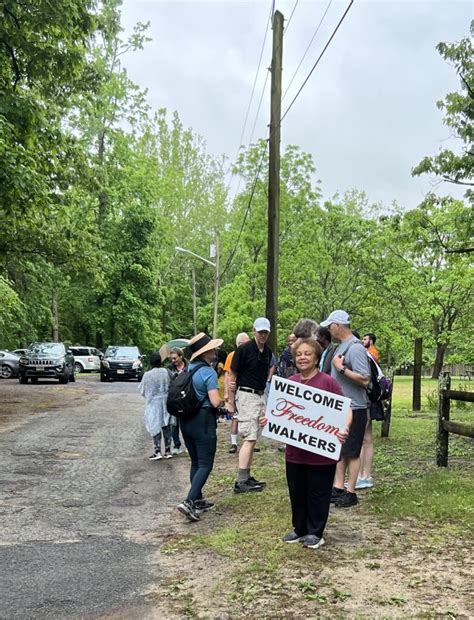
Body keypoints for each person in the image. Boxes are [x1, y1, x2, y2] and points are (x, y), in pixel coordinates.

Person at [261, 337, 351, 549]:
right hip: (295, 452)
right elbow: (276, 413)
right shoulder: (289, 383)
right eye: (299, 354)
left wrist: (343, 428)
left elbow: (346, 409)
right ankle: (299, 528)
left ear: (317, 357)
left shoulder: (328, 382)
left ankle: (315, 532)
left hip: (321, 454)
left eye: (307, 354)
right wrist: (268, 419)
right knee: (297, 490)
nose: (302, 358)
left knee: (318, 492)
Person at [320, 310, 370, 508]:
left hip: (354, 406)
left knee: (352, 450)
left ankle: (351, 491)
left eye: (330, 325)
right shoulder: (342, 346)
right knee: (339, 449)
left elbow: (364, 379)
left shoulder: (356, 348)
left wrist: (341, 369)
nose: (329, 329)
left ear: (338, 326)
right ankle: (338, 487)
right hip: (340, 406)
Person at [177, 332, 223, 522]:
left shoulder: (188, 369)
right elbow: (214, 401)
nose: (215, 350)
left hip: (186, 421)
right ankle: (188, 501)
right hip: (203, 421)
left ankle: (197, 499)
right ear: (205, 352)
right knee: (206, 464)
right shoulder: (208, 372)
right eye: (212, 348)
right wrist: (224, 402)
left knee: (196, 462)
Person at [227, 317, 273, 493]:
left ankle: (246, 475)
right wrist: (231, 401)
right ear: (254, 330)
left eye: (265, 332)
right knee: (249, 437)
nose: (262, 335)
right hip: (246, 395)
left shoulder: (267, 352)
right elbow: (232, 374)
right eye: (260, 331)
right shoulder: (244, 349)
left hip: (259, 395)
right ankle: (241, 480)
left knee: (254, 436)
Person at [138, 352, 173, 460]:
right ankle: (168, 450)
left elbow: (142, 390)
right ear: (160, 361)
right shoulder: (166, 372)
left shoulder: (147, 375)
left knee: (155, 425)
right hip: (166, 401)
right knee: (167, 425)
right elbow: (173, 383)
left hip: (153, 403)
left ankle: (157, 450)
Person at [357, 332, 380, 489]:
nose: (362, 341)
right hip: (370, 400)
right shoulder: (367, 354)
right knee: (367, 438)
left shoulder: (369, 354)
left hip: (366, 400)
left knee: (361, 439)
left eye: (364, 339)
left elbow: (366, 378)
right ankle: (364, 475)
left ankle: (362, 475)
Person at [224, 332, 250, 453]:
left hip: (248, 392)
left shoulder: (252, 355)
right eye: (244, 343)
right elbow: (228, 376)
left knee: (249, 417)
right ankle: (233, 442)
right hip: (236, 390)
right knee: (235, 417)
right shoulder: (232, 356)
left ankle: (248, 442)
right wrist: (227, 394)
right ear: (238, 344)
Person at [168, 347, 188, 454]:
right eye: (171, 359)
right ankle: (176, 445)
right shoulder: (169, 369)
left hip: (186, 399)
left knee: (187, 424)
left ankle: (188, 445)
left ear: (181, 357)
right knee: (174, 425)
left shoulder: (189, 367)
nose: (173, 361)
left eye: (175, 358)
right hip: (174, 399)